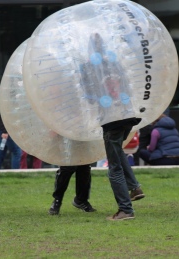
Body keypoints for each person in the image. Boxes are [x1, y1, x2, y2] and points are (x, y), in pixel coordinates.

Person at [85, 33, 145, 221]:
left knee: (114, 168)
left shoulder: (89, 68)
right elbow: (129, 86)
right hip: (128, 116)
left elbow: (88, 94)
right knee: (118, 152)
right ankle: (134, 187)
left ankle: (125, 210)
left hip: (111, 121)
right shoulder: (116, 62)